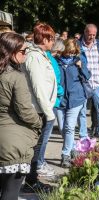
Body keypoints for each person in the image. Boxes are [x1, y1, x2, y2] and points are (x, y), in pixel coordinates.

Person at [0, 32, 42, 200]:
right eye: (23, 51)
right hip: (12, 143)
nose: (26, 54)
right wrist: (39, 121)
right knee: (10, 193)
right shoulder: (16, 77)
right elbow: (24, 109)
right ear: (11, 52)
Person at [22, 22, 57, 193]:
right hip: (39, 110)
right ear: (43, 38)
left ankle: (31, 180)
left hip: (42, 108)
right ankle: (30, 182)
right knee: (35, 148)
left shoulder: (40, 55)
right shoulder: (34, 57)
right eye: (51, 38)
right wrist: (49, 113)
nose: (53, 41)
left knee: (36, 147)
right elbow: (38, 87)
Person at [56, 38, 90, 167]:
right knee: (62, 128)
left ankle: (65, 155)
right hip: (60, 100)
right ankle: (73, 149)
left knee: (70, 127)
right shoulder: (56, 62)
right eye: (68, 52)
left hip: (76, 98)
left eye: (73, 52)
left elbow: (87, 76)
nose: (70, 55)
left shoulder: (78, 61)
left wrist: (82, 67)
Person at [77, 24, 99, 140]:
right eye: (89, 34)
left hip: (97, 82)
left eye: (94, 35)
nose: (91, 37)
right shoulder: (78, 45)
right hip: (83, 83)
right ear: (84, 32)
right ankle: (83, 135)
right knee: (81, 111)